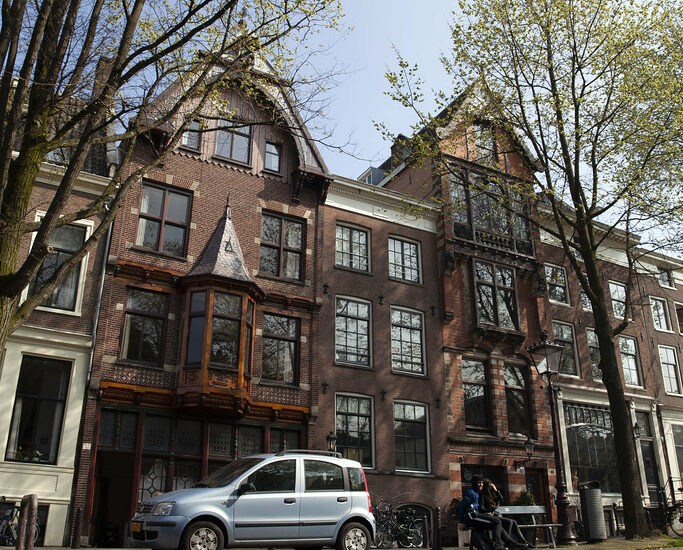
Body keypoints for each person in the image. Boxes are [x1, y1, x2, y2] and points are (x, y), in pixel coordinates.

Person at [480, 479, 535, 549]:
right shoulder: (483, 495)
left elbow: (501, 499)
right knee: (509, 521)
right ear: (486, 487)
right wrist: (492, 509)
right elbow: (481, 509)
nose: (491, 488)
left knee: (514, 522)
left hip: (493, 516)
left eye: (491, 487)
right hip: (488, 516)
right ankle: (507, 543)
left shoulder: (491, 495)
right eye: (489, 487)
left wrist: (496, 490)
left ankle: (524, 542)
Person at [455, 475, 506, 550]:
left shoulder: (478, 493)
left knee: (500, 521)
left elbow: (500, 499)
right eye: (479, 483)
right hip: (472, 517)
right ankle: (497, 546)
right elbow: (460, 507)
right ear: (474, 483)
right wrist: (462, 522)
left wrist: (495, 490)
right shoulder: (470, 493)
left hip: (477, 515)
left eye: (482, 483)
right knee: (497, 521)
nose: (481, 484)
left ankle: (508, 544)